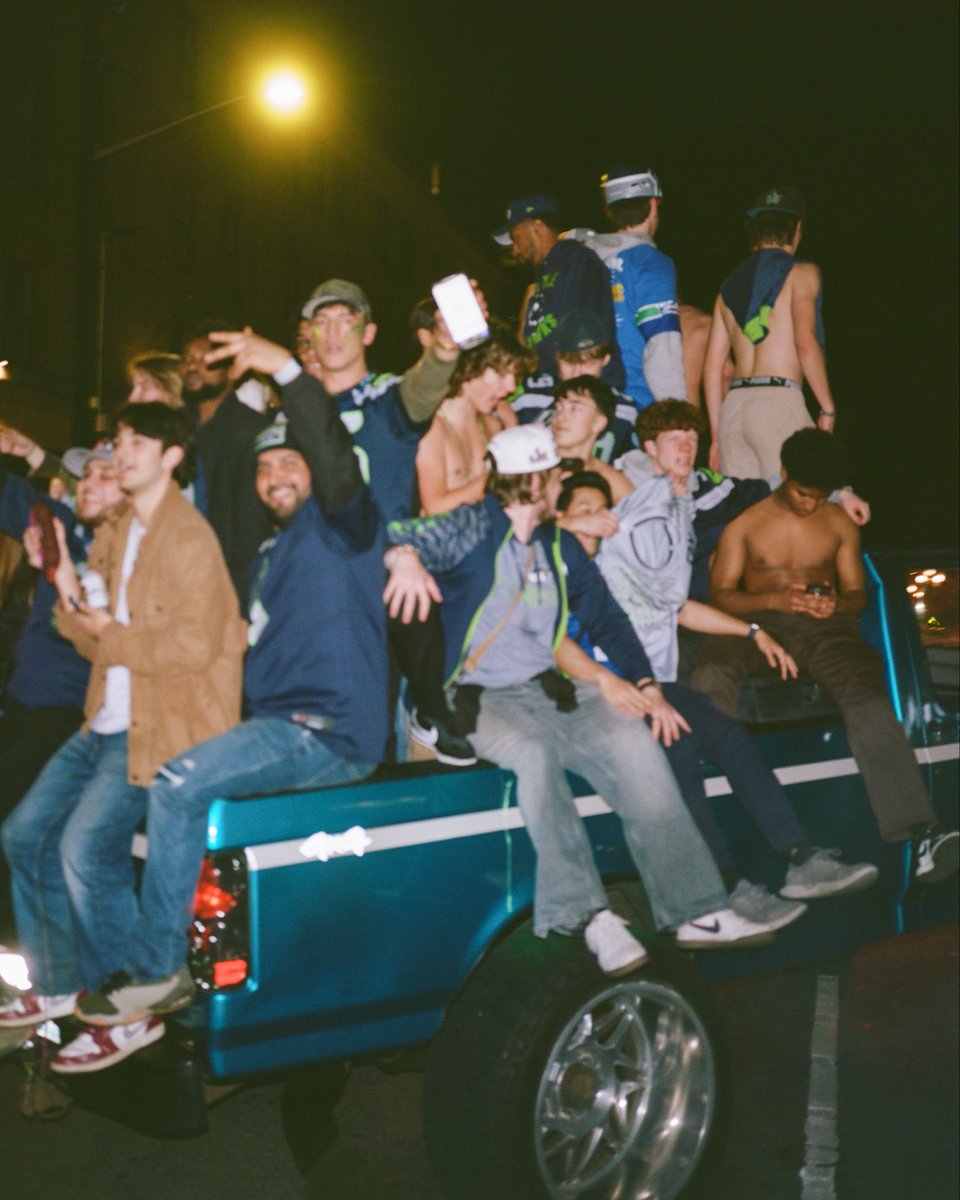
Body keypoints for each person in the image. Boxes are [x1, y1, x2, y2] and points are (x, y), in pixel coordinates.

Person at [48, 330, 397, 1072]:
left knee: (177, 783)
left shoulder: (345, 527)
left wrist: (287, 371)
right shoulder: (266, 556)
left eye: (289, 461)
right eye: (265, 465)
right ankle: (120, 984)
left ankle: (155, 973)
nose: (275, 475)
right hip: (277, 727)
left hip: (330, 731)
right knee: (160, 786)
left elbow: (337, 464)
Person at [386, 423, 778, 976]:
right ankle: (588, 914)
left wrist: (645, 685)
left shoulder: (559, 544)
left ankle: (696, 910)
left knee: (636, 742)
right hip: (475, 694)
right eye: (550, 475)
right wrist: (403, 555)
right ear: (533, 481)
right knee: (535, 756)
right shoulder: (471, 529)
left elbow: (608, 620)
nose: (555, 485)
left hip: (549, 685)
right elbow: (394, 532)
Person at [0, 403, 245, 1069]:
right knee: (23, 834)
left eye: (139, 441)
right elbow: (79, 629)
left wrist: (109, 632)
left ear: (172, 458)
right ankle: (56, 986)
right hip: (104, 719)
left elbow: (198, 643)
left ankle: (131, 1006)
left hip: (162, 726)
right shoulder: (121, 532)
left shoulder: (188, 537)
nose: (122, 450)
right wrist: (64, 584)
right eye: (120, 440)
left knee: (84, 848)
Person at [555, 462, 879, 929]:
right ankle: (724, 888)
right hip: (593, 696)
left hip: (647, 687)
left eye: (603, 508)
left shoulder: (617, 566)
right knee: (679, 750)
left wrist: (752, 632)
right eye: (584, 509)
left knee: (727, 732)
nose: (599, 517)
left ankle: (801, 859)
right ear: (563, 517)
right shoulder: (546, 569)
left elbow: (681, 608)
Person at [693, 428, 959, 882]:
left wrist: (835, 605)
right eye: (801, 493)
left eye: (818, 497)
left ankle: (917, 834)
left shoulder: (838, 522)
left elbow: (857, 594)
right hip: (760, 625)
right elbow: (720, 597)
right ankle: (715, 830)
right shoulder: (745, 523)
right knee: (708, 675)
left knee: (867, 697)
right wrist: (776, 601)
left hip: (827, 629)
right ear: (782, 474)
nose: (809, 505)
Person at [302, 278, 475, 764]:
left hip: (384, 568)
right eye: (322, 321)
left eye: (346, 320)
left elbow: (422, 390)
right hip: (316, 573)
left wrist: (445, 347)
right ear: (309, 335)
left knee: (410, 588)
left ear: (369, 332)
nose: (334, 332)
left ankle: (431, 709)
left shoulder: (386, 400)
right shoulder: (296, 409)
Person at [0, 444, 123, 939]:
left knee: (30, 832)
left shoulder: (113, 548)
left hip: (68, 713)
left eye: (102, 475)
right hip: (25, 705)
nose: (85, 484)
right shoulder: (66, 526)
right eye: (82, 475)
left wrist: (67, 578)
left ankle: (26, 955)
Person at [704, 185, 836, 478]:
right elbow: (805, 343)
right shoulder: (803, 273)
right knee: (804, 503)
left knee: (749, 516)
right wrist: (827, 409)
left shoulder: (728, 286)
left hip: (734, 411)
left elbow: (714, 368)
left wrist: (716, 436)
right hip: (778, 402)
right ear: (798, 227)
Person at [179, 322, 273, 600]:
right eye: (186, 359)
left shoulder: (249, 430)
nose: (192, 366)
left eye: (206, 359)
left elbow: (250, 529)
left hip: (222, 583)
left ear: (232, 372)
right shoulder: (177, 428)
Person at [492, 194, 624, 391]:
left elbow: (588, 338)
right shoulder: (547, 274)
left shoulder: (577, 260)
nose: (514, 250)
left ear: (536, 226)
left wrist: (577, 393)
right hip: (550, 392)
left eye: (515, 238)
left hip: (581, 394)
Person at [583, 165, 687, 409]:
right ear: (653, 204)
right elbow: (661, 345)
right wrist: (675, 415)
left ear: (609, 211)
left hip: (591, 402)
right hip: (636, 405)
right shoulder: (650, 263)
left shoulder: (586, 260)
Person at [415, 324, 532, 515]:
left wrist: (513, 429)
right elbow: (435, 507)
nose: (511, 386)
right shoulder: (431, 426)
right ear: (471, 365)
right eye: (502, 375)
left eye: (515, 376)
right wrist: (497, 478)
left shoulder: (493, 426)